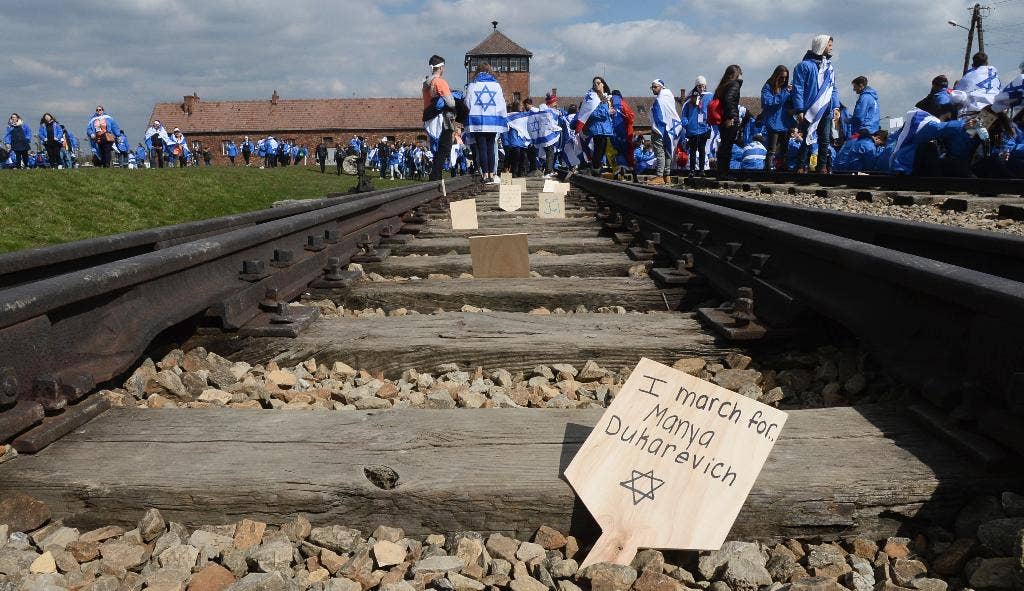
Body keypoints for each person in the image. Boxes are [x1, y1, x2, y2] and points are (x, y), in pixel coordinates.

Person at [792, 35, 839, 173]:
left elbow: (833, 88)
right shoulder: (804, 66)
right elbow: (798, 88)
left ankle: (822, 167)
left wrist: (836, 106)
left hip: (826, 109)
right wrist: (799, 109)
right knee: (807, 138)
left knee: (824, 139)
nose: (831, 48)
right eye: (829, 45)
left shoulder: (829, 68)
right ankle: (801, 165)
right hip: (809, 110)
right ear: (822, 45)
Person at [465, 62, 507, 184]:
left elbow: (468, 101)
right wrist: (501, 116)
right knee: (490, 148)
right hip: (493, 121)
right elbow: (501, 103)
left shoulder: (473, 85)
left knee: (481, 148)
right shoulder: (496, 85)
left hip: (477, 121)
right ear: (489, 71)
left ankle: (484, 175)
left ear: (478, 71)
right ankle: (492, 174)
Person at [423, 54, 456, 182]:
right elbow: (450, 102)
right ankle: (436, 176)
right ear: (441, 67)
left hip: (430, 118)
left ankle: (435, 175)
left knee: (436, 148)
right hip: (442, 119)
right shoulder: (440, 82)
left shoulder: (426, 83)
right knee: (445, 147)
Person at [574, 76, 615, 176]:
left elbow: (607, 111)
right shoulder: (592, 98)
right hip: (597, 127)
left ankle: (597, 168)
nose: (596, 85)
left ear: (603, 84)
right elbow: (591, 113)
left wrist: (611, 112)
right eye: (594, 83)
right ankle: (595, 169)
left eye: (598, 83)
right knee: (598, 148)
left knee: (603, 149)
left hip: (605, 128)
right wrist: (607, 112)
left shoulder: (606, 96)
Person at [648, 78, 682, 185]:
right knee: (668, 152)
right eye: (652, 87)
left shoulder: (660, 99)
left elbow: (658, 115)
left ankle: (659, 176)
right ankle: (667, 175)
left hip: (660, 129)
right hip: (670, 129)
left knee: (660, 153)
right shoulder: (670, 97)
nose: (653, 89)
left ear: (661, 87)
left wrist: (656, 128)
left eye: (655, 87)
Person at [712, 65, 743, 178]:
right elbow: (729, 100)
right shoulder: (734, 84)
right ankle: (724, 172)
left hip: (722, 119)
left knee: (724, 145)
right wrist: (730, 117)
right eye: (738, 74)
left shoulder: (722, 86)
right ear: (734, 75)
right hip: (730, 119)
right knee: (727, 146)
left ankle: (721, 171)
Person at [760, 66, 793, 171]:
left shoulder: (785, 89)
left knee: (784, 149)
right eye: (781, 77)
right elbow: (769, 102)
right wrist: (785, 93)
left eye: (785, 78)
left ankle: (782, 167)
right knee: (772, 149)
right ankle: (768, 168)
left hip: (784, 122)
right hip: (773, 123)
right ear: (776, 76)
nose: (783, 80)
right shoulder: (768, 87)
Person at [682, 76, 712, 176]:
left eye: (703, 86)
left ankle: (702, 170)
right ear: (696, 87)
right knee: (693, 150)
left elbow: (713, 108)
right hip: (692, 128)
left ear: (705, 86)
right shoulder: (690, 98)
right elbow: (684, 112)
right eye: (699, 86)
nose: (701, 88)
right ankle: (692, 170)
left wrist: (711, 120)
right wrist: (685, 120)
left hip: (704, 127)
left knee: (702, 150)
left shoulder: (709, 96)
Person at [610, 90, 637, 182]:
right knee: (628, 153)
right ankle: (632, 175)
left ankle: (618, 172)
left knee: (617, 152)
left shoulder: (609, 103)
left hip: (613, 133)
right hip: (625, 132)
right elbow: (631, 117)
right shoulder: (622, 104)